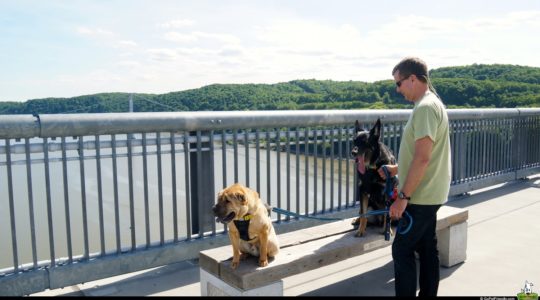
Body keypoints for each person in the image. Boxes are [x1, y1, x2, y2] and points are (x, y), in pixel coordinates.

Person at [378, 57, 451, 297]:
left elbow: (422, 159)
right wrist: (396, 169)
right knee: (427, 247)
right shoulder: (431, 104)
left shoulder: (425, 108)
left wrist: (403, 197)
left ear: (412, 79)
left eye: (398, 83)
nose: (397, 90)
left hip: (421, 196)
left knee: (402, 250)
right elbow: (421, 156)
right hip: (431, 192)